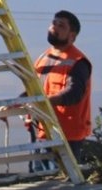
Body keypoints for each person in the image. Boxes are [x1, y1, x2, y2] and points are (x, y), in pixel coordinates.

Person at [33, 10, 93, 161]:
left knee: (63, 180)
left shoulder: (78, 61)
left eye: (61, 26)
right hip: (43, 131)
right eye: (53, 23)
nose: (54, 27)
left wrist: (45, 102)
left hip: (67, 137)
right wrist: (16, 104)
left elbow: (74, 93)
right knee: (41, 180)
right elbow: (34, 87)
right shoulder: (44, 57)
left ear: (72, 36)